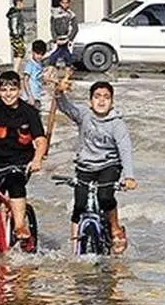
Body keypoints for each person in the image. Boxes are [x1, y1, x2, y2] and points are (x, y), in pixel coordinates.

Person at [55, 76, 136, 254]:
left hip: (109, 166)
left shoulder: (117, 124)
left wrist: (129, 176)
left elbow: (125, 149)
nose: (101, 101)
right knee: (79, 206)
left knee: (105, 197)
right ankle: (75, 248)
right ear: (90, 101)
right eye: (97, 96)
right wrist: (59, 93)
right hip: (85, 167)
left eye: (106, 97)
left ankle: (114, 227)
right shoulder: (84, 114)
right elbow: (66, 107)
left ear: (112, 102)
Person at [0, 70, 48, 249]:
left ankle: (20, 225)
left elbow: (40, 140)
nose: (8, 94)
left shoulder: (29, 112)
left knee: (15, 185)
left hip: (19, 163)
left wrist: (37, 160)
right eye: (4, 90)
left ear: (19, 90)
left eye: (12, 89)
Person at [48, 0, 78, 67]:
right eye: (63, 2)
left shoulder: (71, 15)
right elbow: (52, 27)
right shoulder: (55, 14)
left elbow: (75, 28)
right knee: (53, 59)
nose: (64, 4)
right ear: (60, 3)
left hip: (67, 40)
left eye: (66, 3)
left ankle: (67, 72)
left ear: (69, 3)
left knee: (68, 59)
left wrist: (69, 39)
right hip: (58, 40)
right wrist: (55, 39)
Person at [22, 40, 48, 109]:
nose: (39, 56)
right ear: (32, 52)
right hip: (30, 97)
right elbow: (25, 81)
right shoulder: (30, 64)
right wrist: (30, 96)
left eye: (42, 54)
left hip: (37, 95)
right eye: (38, 53)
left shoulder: (40, 64)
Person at [7, 0, 27, 73]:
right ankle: (15, 70)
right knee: (20, 52)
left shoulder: (16, 13)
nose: (23, 5)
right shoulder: (15, 14)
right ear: (18, 3)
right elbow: (14, 25)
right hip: (17, 36)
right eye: (22, 3)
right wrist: (17, 35)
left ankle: (16, 69)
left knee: (17, 53)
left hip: (16, 36)